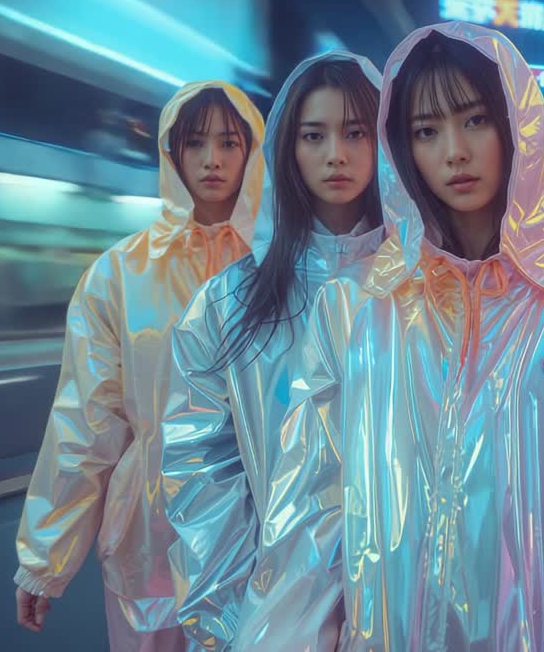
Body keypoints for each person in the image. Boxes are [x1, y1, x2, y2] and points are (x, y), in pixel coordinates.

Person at [245, 22, 544, 650]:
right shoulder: (356, 306)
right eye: (427, 131)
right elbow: (310, 513)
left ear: (516, 127)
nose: (453, 151)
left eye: (475, 121)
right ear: (402, 146)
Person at [14, 81, 265, 651]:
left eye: (229, 143)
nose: (212, 159)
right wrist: (43, 561)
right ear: (171, 152)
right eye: (195, 143)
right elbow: (87, 422)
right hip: (150, 541)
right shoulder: (118, 276)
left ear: (253, 151)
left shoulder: (279, 264)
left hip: (262, 534)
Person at [160, 51, 386, 652]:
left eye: (355, 132)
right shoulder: (228, 304)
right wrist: (235, 622)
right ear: (288, 148)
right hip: (276, 616)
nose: (335, 154)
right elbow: (202, 472)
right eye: (314, 135)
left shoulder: (422, 293)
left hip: (405, 612)